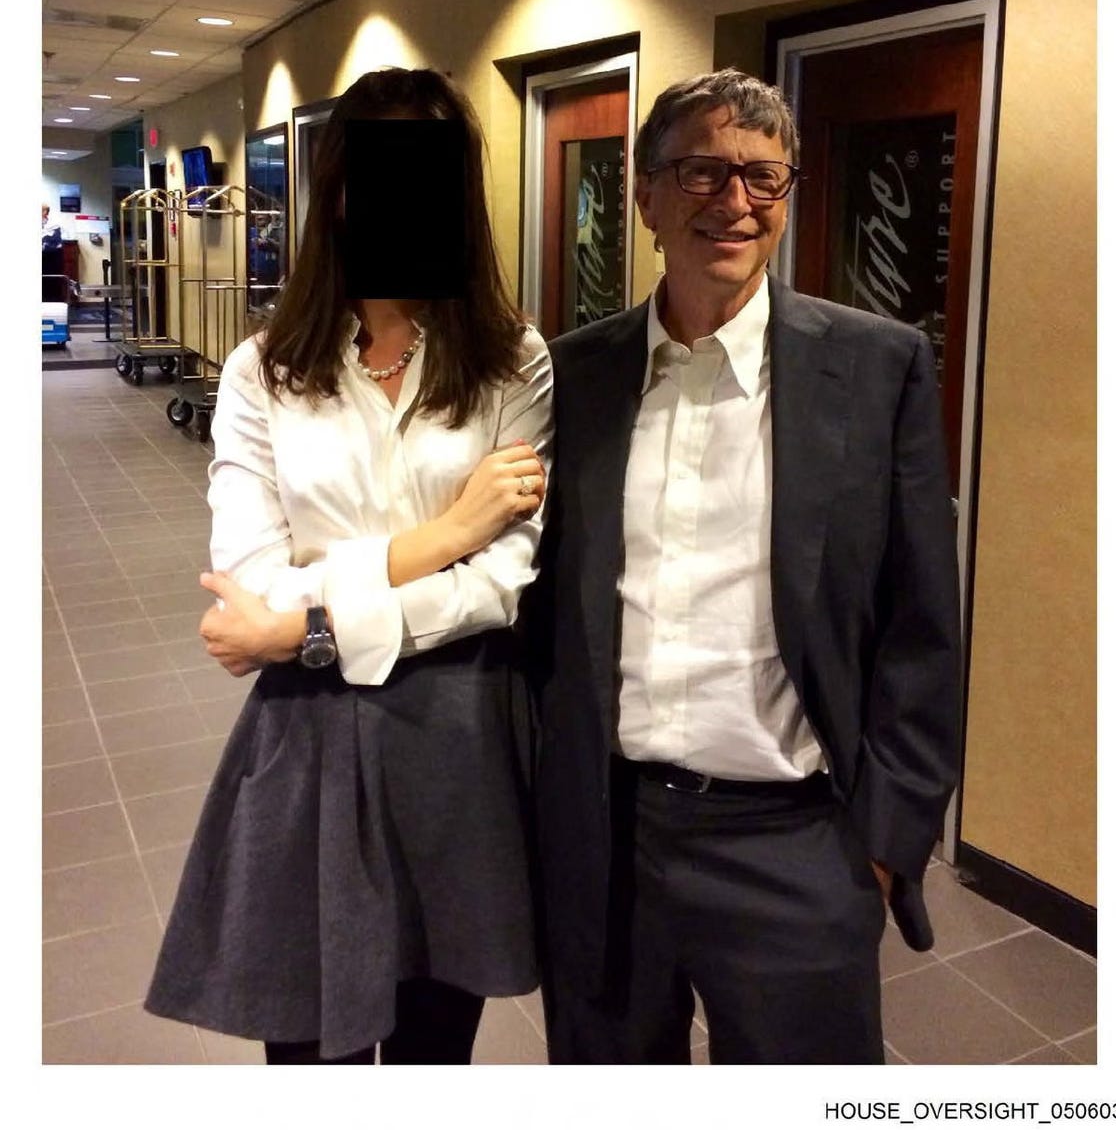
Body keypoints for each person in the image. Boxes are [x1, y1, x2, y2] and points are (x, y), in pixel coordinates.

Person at [523, 68, 961, 1064]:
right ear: (645, 197)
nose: (735, 202)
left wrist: (886, 843)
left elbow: (922, 623)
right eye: (702, 172)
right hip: (607, 837)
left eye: (764, 177)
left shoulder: (877, 366)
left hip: (796, 846)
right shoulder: (574, 374)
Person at [144, 68, 553, 1065]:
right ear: (335, 195)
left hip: (456, 731)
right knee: (306, 1050)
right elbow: (251, 579)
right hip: (307, 730)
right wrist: (443, 537)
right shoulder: (263, 369)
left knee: (430, 1053)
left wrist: (303, 627)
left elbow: (502, 584)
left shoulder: (514, 361)